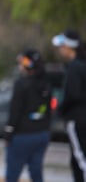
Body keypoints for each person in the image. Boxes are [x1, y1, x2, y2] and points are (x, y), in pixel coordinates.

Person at [4, 49, 52, 182]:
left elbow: (15, 111)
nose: (20, 66)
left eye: (22, 62)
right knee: (36, 172)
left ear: (28, 64)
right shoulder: (46, 84)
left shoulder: (21, 84)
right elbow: (46, 110)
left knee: (12, 174)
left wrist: (8, 133)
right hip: (41, 134)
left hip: (21, 136)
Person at [52, 29, 86, 182]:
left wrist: (62, 109)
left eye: (61, 46)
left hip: (77, 119)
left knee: (81, 160)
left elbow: (73, 94)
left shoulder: (74, 67)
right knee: (76, 160)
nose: (60, 50)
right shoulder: (81, 65)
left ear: (68, 46)